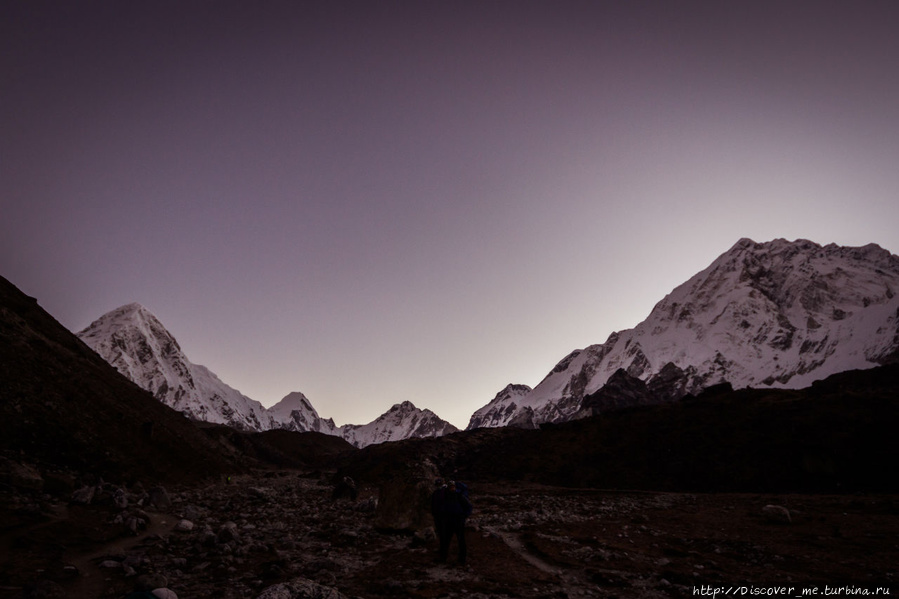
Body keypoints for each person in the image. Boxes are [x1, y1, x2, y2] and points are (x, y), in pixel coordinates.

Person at [439, 480, 472, 565]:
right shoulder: (447, 496)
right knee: (446, 540)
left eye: (453, 486)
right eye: (451, 487)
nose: (452, 488)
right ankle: (443, 557)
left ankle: (461, 559)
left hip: (458, 520)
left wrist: (464, 516)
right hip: (450, 521)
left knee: (460, 540)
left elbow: (468, 506)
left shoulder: (459, 496)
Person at [430, 478, 447, 555]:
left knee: (443, 532)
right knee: (442, 532)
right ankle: (443, 548)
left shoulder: (441, 492)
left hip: (442, 515)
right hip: (439, 515)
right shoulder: (438, 493)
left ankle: (444, 549)